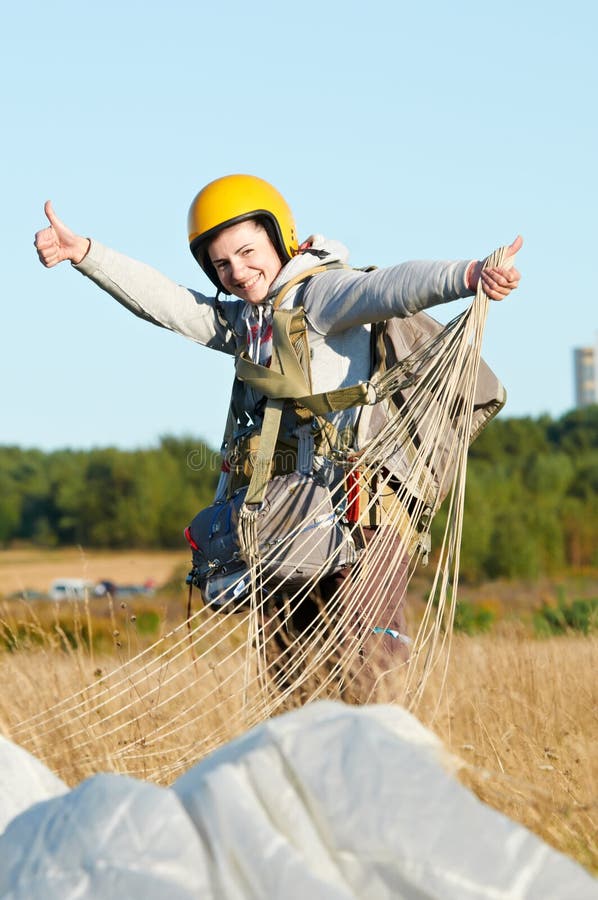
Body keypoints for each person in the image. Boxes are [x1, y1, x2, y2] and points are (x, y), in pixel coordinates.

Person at [35, 174, 521, 694]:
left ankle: (373, 769)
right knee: (289, 679)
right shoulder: (250, 319)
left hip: (362, 519)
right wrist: (85, 253)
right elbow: (171, 305)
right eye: (222, 264)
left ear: (280, 238)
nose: (238, 272)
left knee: (366, 673)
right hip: (288, 514)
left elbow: (387, 288)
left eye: (247, 252)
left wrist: (468, 275)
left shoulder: (321, 294)